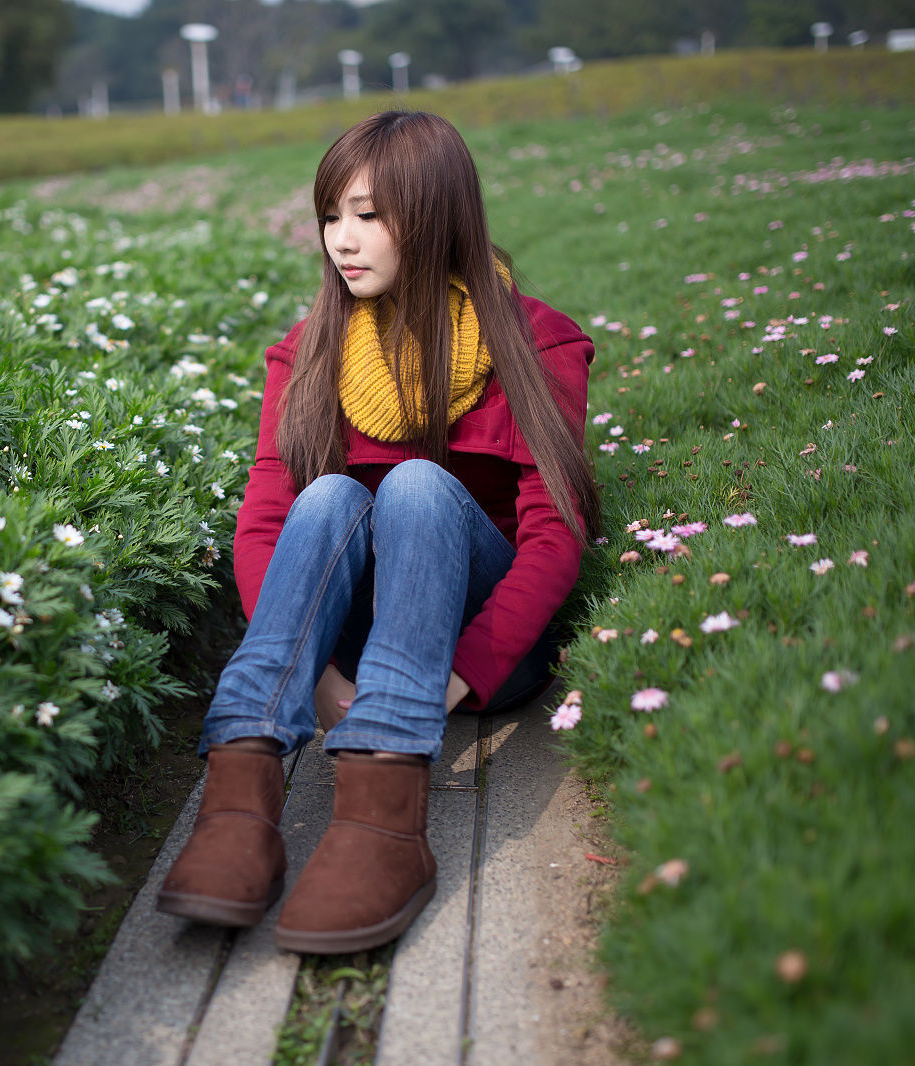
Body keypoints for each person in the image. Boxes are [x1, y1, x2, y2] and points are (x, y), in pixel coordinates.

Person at [155, 110, 601, 955]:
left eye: (369, 215)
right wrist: (320, 679)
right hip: (350, 656)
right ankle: (241, 796)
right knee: (323, 499)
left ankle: (386, 816)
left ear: (434, 217)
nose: (341, 240)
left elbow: (556, 535)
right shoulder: (309, 351)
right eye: (331, 215)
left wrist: (456, 681)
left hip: (472, 655)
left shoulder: (532, 341)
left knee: (418, 485)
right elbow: (265, 526)